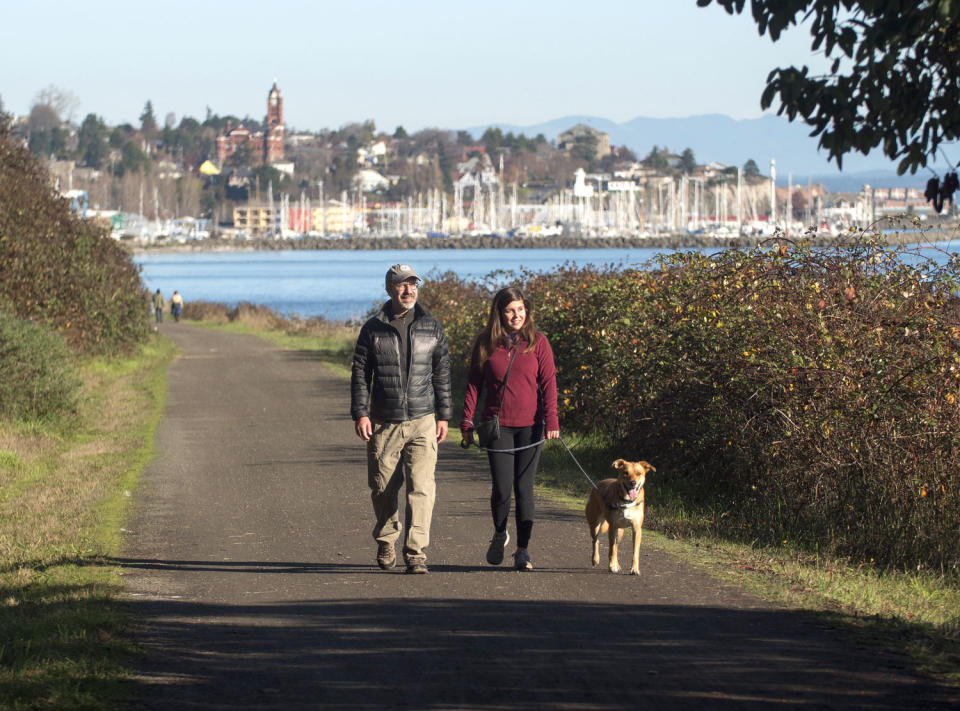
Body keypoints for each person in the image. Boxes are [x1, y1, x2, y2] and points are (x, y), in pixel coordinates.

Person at [350, 264, 452, 575]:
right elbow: (359, 373)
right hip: (385, 420)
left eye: (412, 284)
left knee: (422, 488)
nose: (408, 290)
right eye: (401, 285)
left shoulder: (431, 327)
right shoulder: (373, 328)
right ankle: (386, 539)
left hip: (423, 419)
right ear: (389, 288)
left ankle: (416, 552)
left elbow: (442, 373)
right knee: (382, 487)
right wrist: (361, 412)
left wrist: (445, 416)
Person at [461, 286, 559, 571]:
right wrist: (467, 421)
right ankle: (500, 531)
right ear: (499, 313)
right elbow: (473, 385)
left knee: (524, 488)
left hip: (531, 427)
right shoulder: (485, 343)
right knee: (503, 488)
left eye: (520, 309)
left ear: (526, 311)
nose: (516, 315)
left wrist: (552, 421)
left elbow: (549, 383)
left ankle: (523, 550)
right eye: (509, 310)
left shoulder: (538, 342)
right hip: (497, 426)